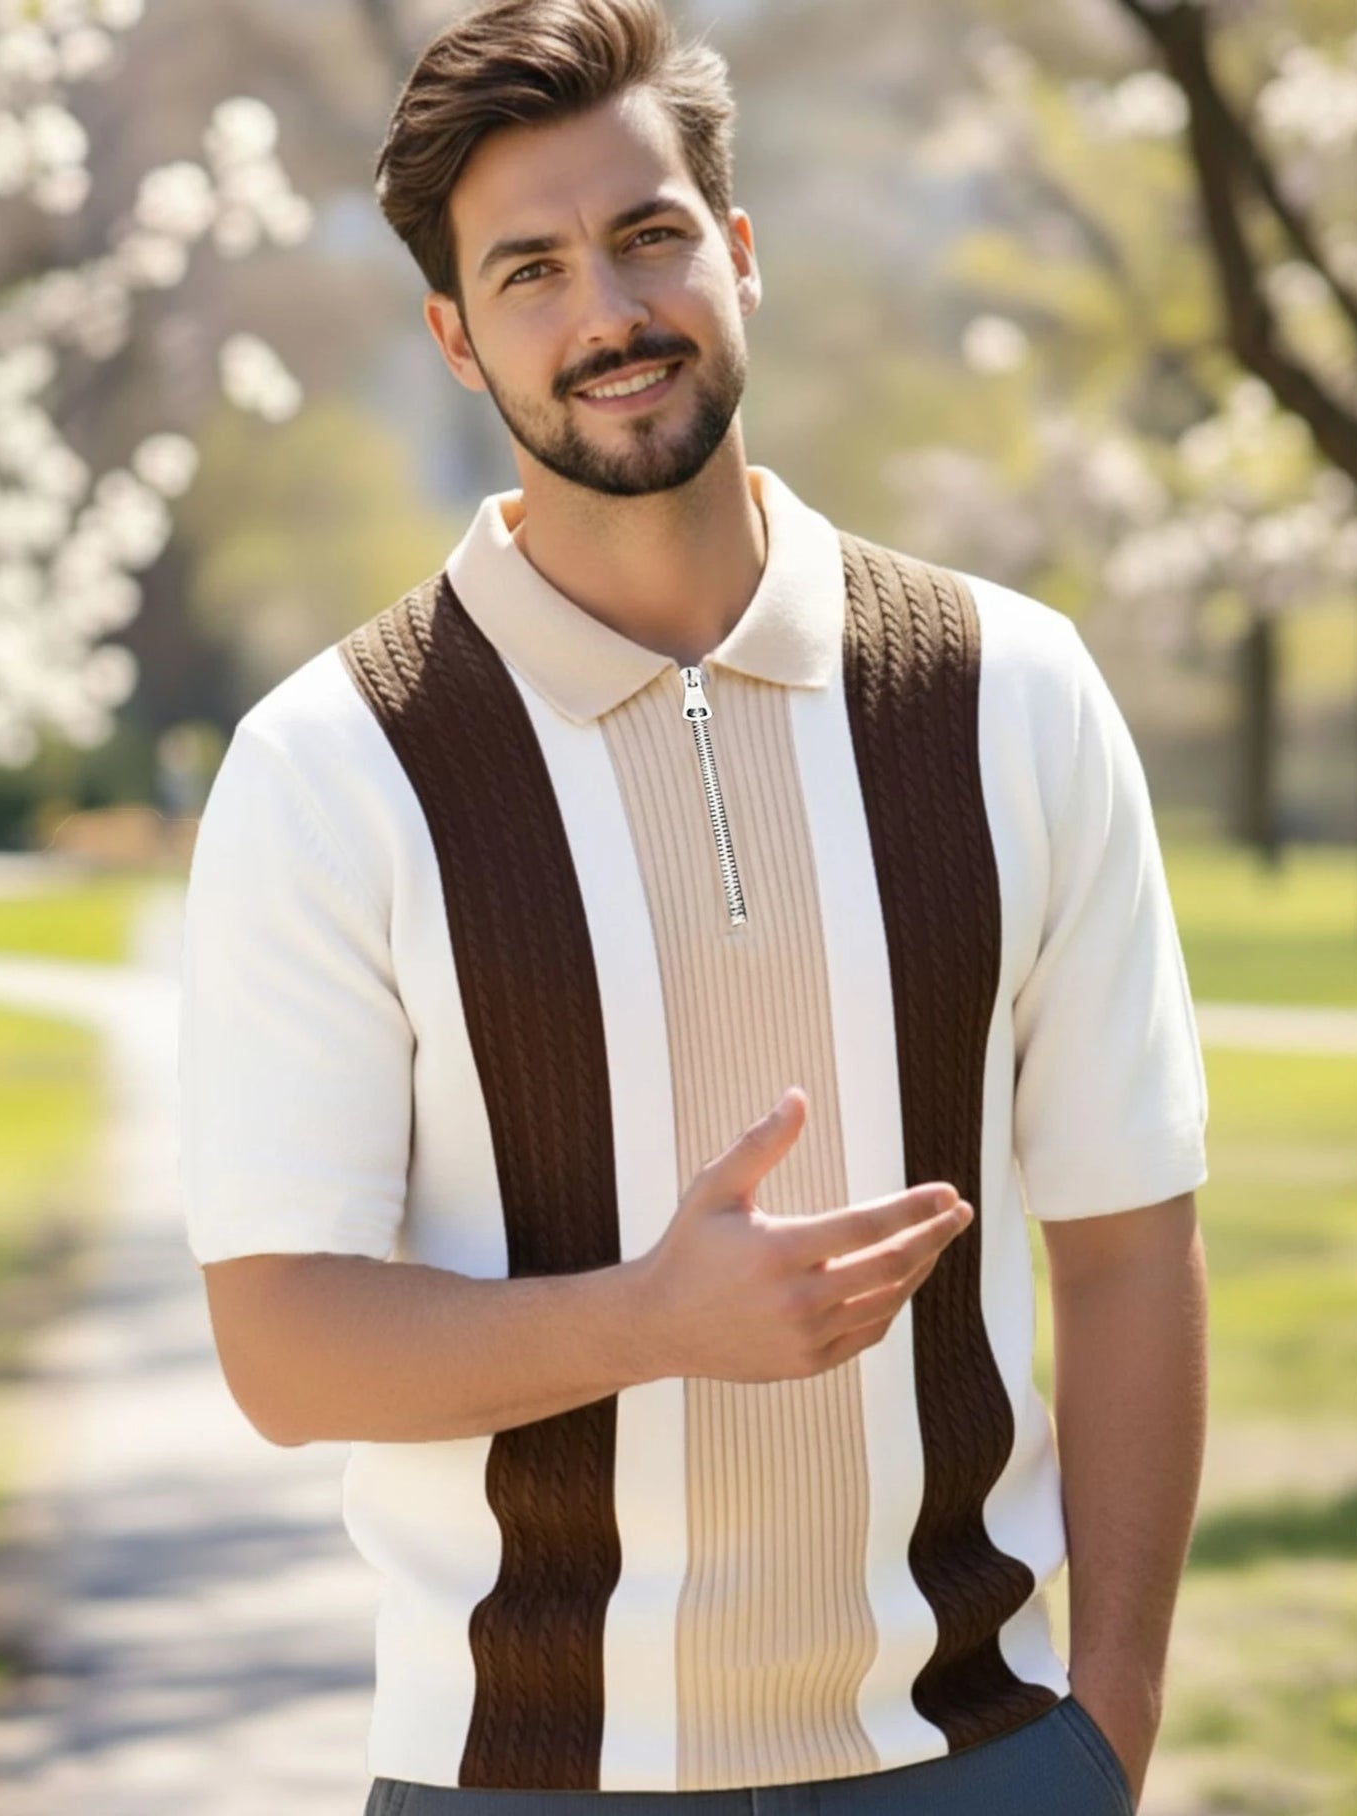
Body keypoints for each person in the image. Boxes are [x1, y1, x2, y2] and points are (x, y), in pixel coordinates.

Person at [177, 1, 1210, 1810]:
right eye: (529, 271)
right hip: (513, 1774)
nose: (608, 312)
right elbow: (281, 1345)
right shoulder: (331, 766)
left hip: (979, 1757)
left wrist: (1104, 1730)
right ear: (454, 338)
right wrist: (651, 1320)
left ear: (735, 251)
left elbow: (1127, 1239)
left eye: (647, 236)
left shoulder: (1011, 693)